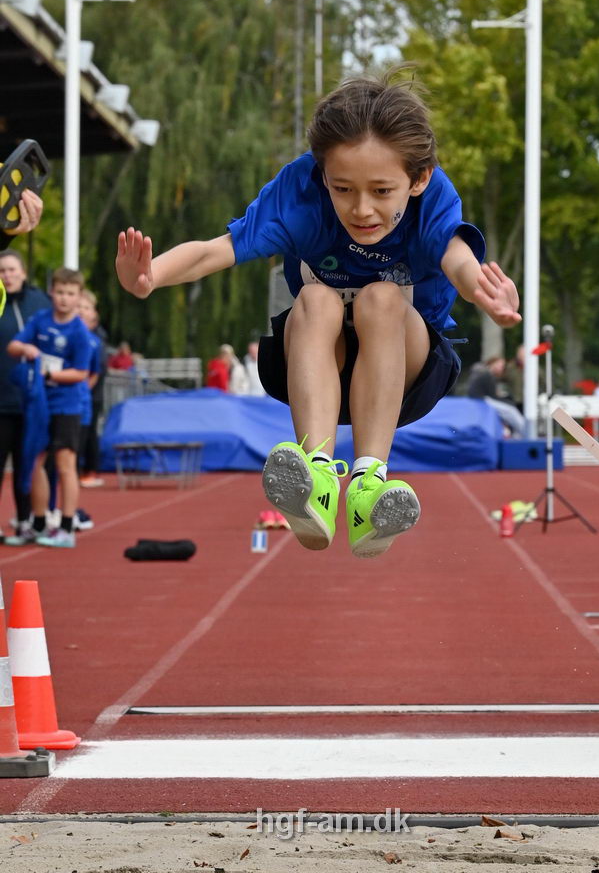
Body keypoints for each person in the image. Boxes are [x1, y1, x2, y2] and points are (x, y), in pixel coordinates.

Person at [116, 70, 521, 558]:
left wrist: (483, 293)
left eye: (381, 191)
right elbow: (216, 251)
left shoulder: (434, 197)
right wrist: (150, 276)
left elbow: (456, 257)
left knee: (381, 297)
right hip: (315, 365)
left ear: (418, 180)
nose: (362, 209)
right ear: (321, 175)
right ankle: (319, 477)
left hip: (406, 374)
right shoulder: (300, 192)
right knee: (316, 298)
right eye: (343, 188)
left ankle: (370, 484)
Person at [8, 267, 92, 548]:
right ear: (51, 293)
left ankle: (67, 525)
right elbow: (13, 346)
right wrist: (26, 349)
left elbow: (80, 373)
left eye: (70, 294)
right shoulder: (41, 320)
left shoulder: (80, 332)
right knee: (35, 460)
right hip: (40, 403)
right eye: (59, 293)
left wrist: (48, 374)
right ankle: (39, 521)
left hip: (67, 404)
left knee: (65, 463)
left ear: (78, 296)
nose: (64, 299)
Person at [0, 247, 50, 541]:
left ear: (23, 272)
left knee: (28, 463)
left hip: (32, 400)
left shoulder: (40, 303)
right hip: (1, 398)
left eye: (11, 269)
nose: (7, 276)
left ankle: (25, 520)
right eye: (1, 271)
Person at [77, 290, 105, 489]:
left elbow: (97, 371)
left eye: (86, 307)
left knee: (88, 433)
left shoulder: (97, 339)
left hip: (90, 396)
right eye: (79, 306)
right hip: (75, 393)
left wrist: (83, 390)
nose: (81, 311)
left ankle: (90, 470)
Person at [467, 355, 526, 438]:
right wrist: (509, 402)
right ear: (493, 364)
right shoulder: (487, 375)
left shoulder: (485, 374)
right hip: (481, 401)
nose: (502, 368)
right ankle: (526, 432)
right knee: (510, 410)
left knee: (509, 408)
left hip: (481, 400)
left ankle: (518, 433)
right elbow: (492, 396)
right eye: (500, 365)